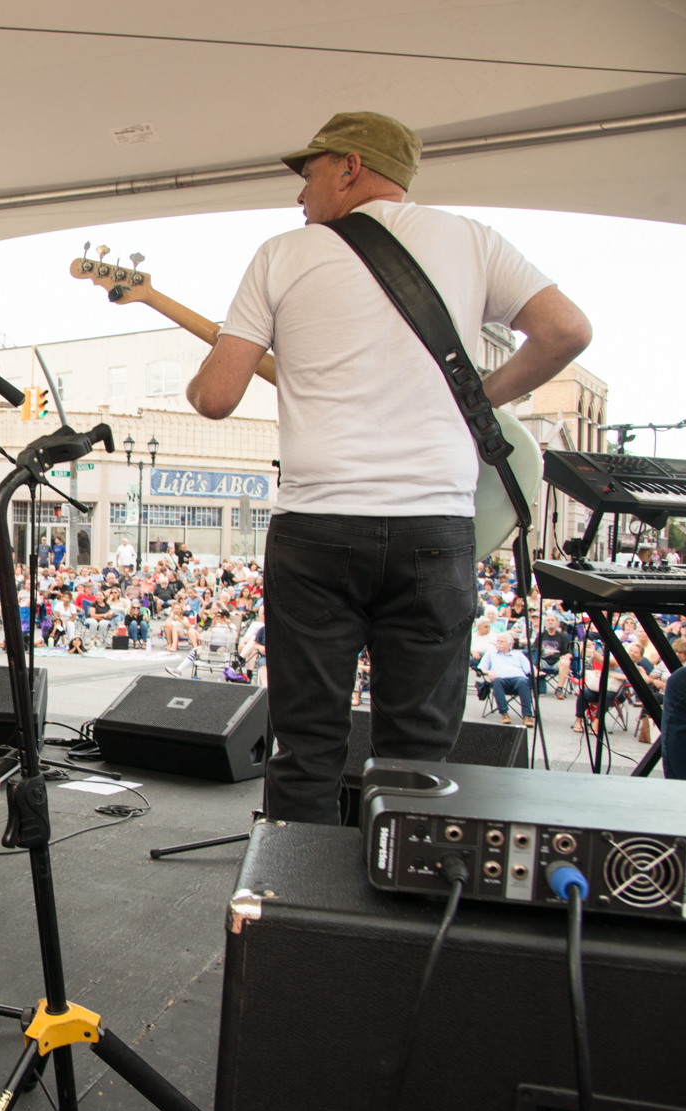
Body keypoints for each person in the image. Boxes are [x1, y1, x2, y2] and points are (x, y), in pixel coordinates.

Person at [187, 111, 591, 823]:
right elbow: (566, 330)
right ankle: (400, 916)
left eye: (307, 173)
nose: (299, 194)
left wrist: (197, 380)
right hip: (432, 528)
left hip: (316, 527)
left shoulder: (282, 253)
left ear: (348, 166)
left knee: (306, 743)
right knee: (418, 749)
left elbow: (216, 396)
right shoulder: (473, 240)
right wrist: (479, 396)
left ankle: (288, 912)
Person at [479, 633, 536, 726]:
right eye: (498, 641)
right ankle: (504, 713)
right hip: (501, 681)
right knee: (496, 681)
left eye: (502, 641)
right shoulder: (490, 653)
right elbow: (482, 668)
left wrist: (536, 672)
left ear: (510, 644)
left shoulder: (519, 655)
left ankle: (527, 716)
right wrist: (489, 672)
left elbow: (530, 669)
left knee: (523, 681)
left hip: (518, 680)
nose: (499, 643)